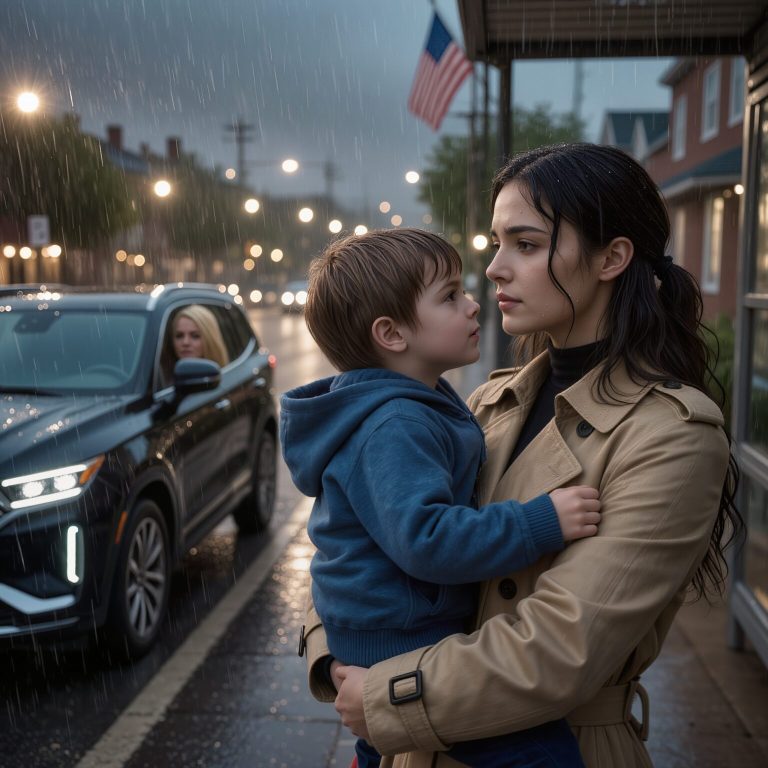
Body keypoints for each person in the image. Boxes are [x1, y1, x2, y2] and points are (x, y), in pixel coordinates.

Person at [305, 144, 742, 768]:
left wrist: (382, 695)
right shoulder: (485, 402)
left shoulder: (672, 434)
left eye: (527, 245)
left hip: (561, 744)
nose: (494, 269)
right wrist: (336, 657)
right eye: (496, 242)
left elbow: (561, 649)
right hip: (413, 743)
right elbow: (355, 540)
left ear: (612, 257)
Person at [281, 228, 602, 767]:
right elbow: (427, 539)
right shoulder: (396, 424)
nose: (474, 303)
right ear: (391, 333)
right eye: (450, 296)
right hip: (403, 642)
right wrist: (539, 522)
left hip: (388, 635)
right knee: (543, 755)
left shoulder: (416, 403)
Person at [160, 304, 229, 384]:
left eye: (195, 336)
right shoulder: (162, 383)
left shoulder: (228, 381)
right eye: (179, 336)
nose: (185, 342)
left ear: (210, 339)